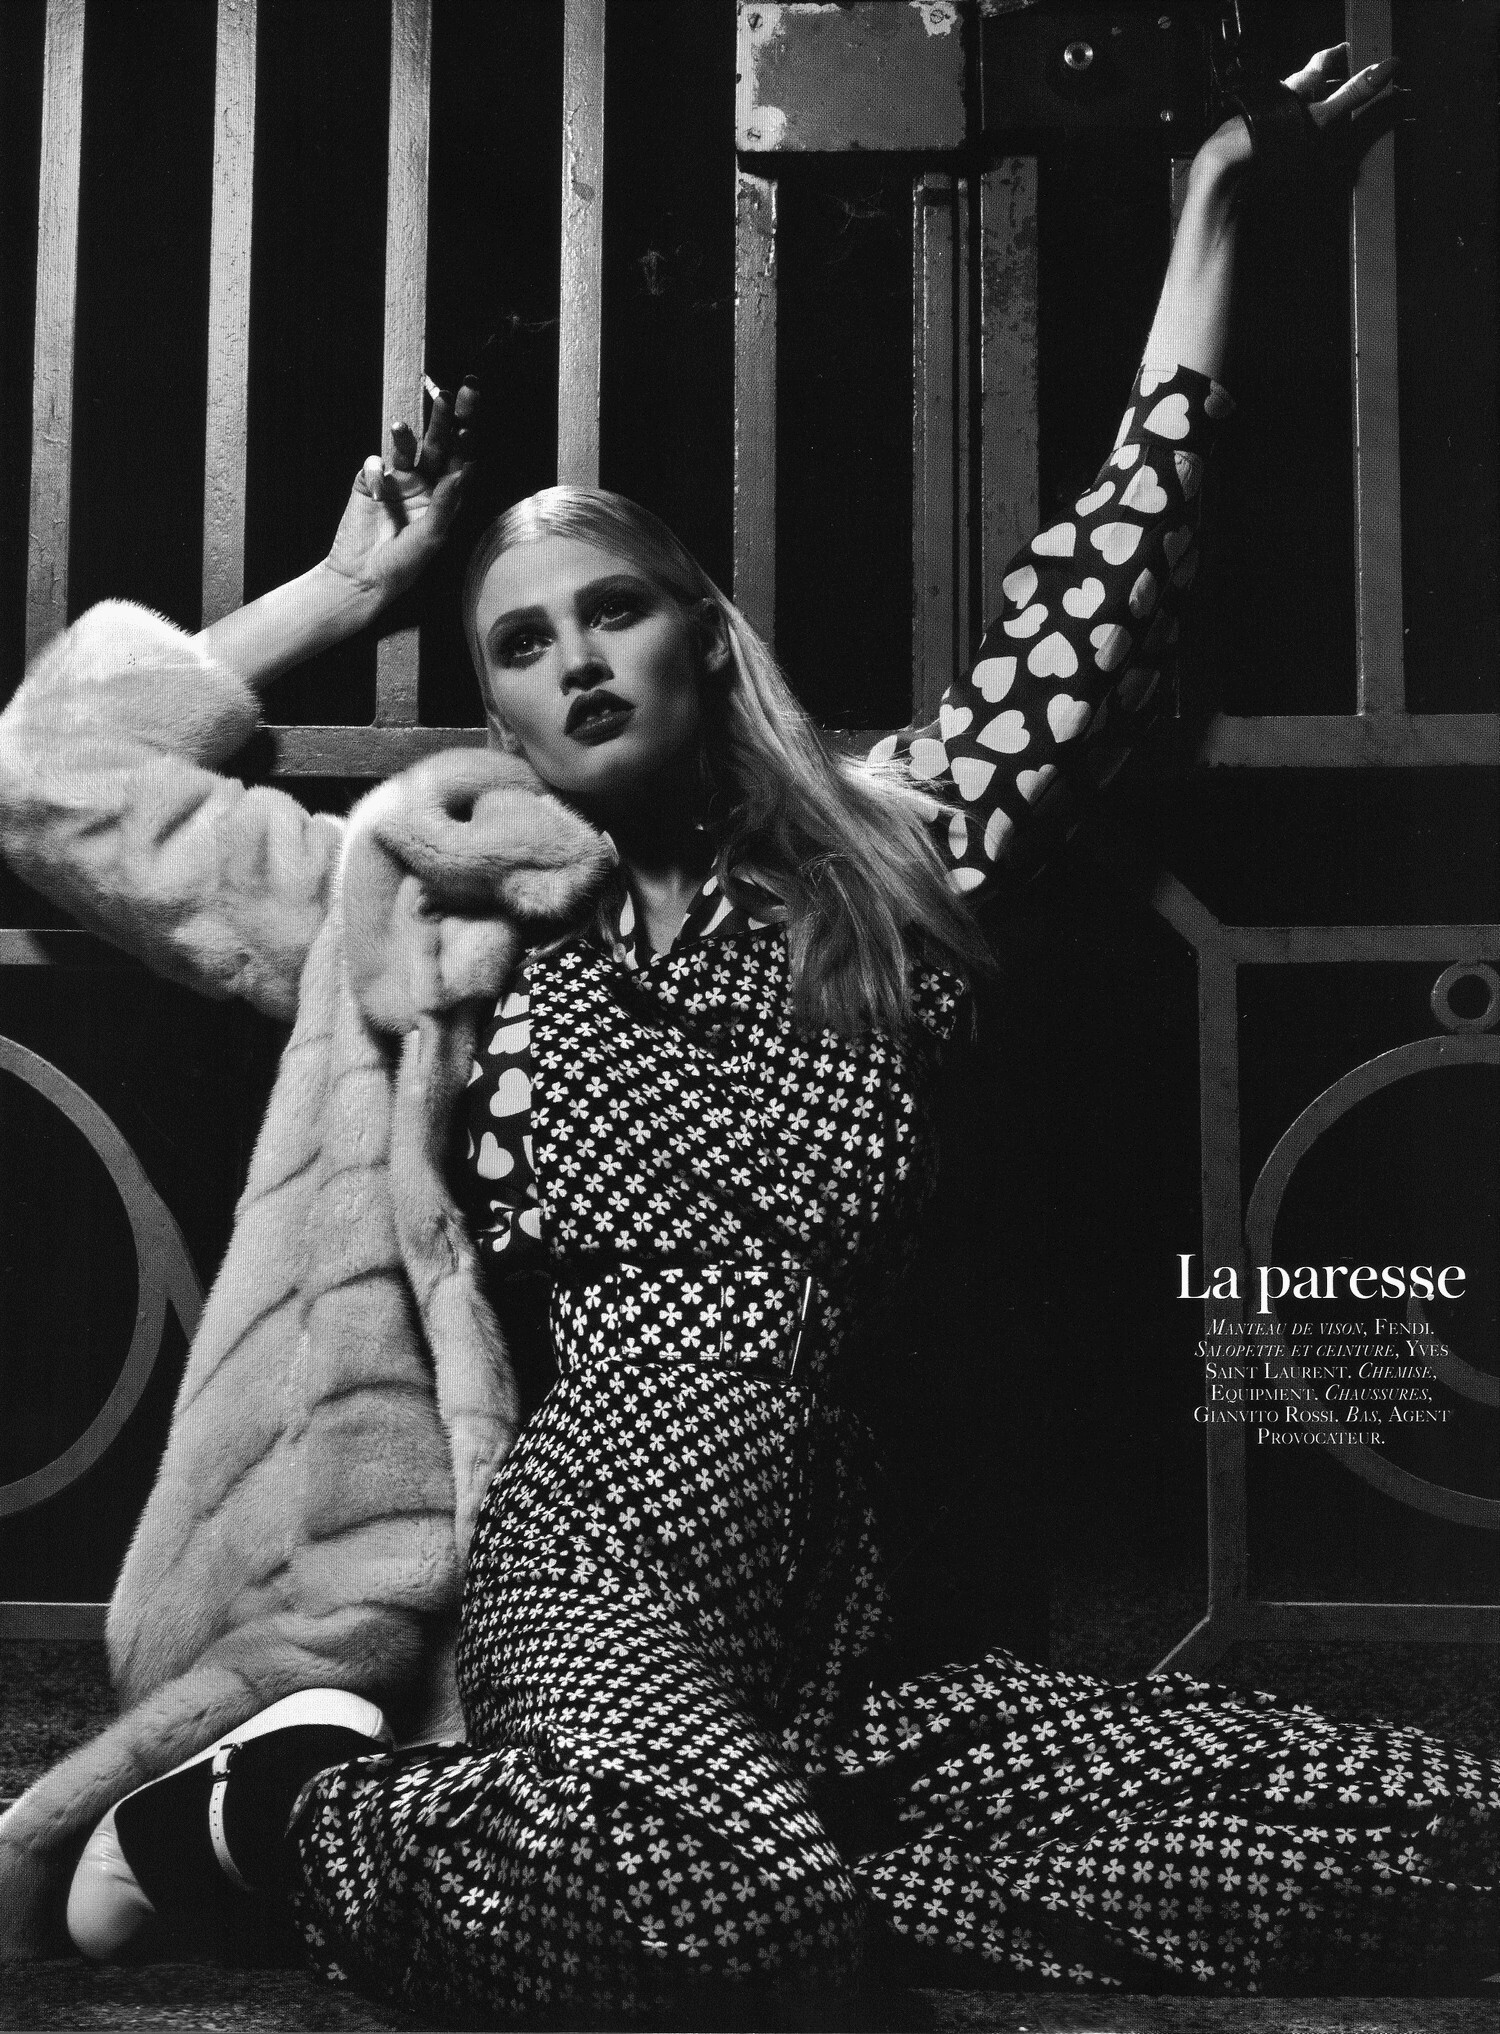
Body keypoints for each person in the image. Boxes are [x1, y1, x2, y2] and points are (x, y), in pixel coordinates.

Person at [5, 41, 1495, 2025]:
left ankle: (666, 1862)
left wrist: (1219, 203)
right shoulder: (437, 907)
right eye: (520, 644)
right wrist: (346, 588)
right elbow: (54, 772)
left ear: (701, 636)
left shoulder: (890, 852)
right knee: (736, 1909)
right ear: (499, 713)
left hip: (848, 1627)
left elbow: (1105, 587)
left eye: (609, 611)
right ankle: (279, 1813)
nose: (572, 660)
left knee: (1436, 1829)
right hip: (593, 1547)